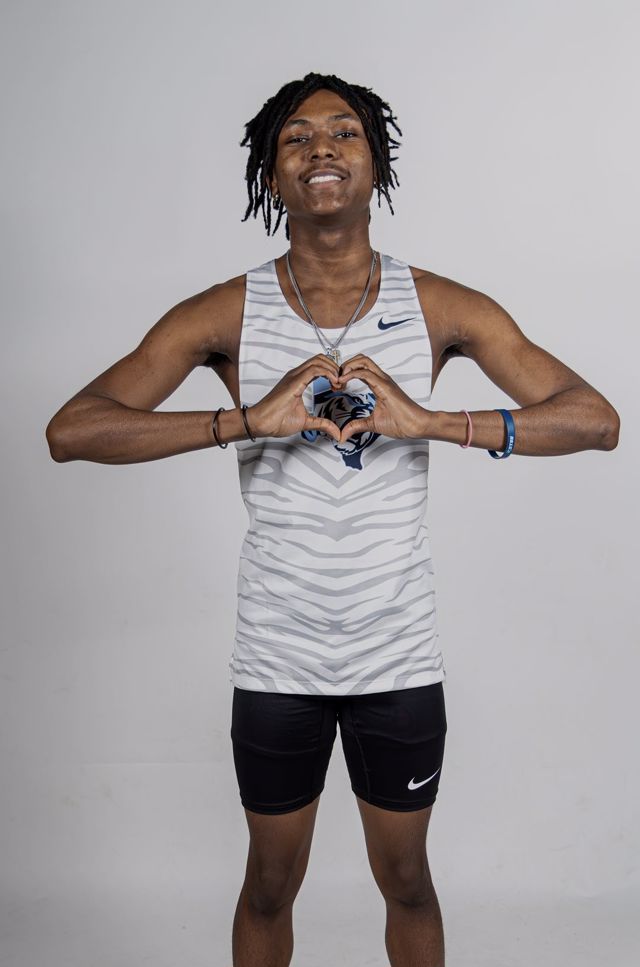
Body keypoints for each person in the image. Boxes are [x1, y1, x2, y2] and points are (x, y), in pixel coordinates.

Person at [46, 71, 620, 967]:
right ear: (272, 174)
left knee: (408, 880)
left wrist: (432, 422)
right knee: (270, 884)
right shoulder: (226, 312)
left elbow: (596, 419)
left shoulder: (439, 305)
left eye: (345, 131)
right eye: (297, 136)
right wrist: (245, 419)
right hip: (278, 655)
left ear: (375, 162)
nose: (322, 146)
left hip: (397, 652)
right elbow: (72, 430)